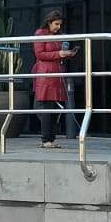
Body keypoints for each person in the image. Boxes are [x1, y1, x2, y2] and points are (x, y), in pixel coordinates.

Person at [31, 10, 74, 149]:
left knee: (55, 107)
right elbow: (40, 54)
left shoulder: (59, 36)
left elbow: (57, 53)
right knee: (47, 107)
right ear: (49, 22)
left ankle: (52, 138)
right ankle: (45, 139)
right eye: (56, 24)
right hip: (46, 73)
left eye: (60, 24)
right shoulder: (40, 34)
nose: (58, 27)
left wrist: (67, 54)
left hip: (57, 72)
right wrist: (58, 53)